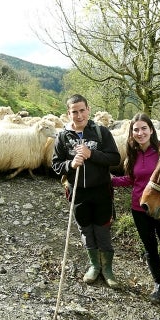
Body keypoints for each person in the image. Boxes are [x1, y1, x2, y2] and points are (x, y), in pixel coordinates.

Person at [112, 114, 160, 307]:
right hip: (139, 208)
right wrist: (109, 180)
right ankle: (158, 285)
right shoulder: (133, 153)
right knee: (150, 249)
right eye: (136, 129)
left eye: (144, 128)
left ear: (151, 130)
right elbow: (131, 179)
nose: (140, 133)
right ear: (131, 133)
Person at [52, 94, 121, 288]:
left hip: (101, 191)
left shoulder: (101, 132)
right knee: (85, 229)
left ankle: (107, 269)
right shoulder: (63, 137)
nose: (79, 115)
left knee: (102, 229)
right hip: (78, 193)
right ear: (68, 113)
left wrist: (92, 154)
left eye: (82, 110)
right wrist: (70, 164)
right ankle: (94, 265)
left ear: (88, 110)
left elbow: (114, 158)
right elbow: (56, 165)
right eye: (74, 112)